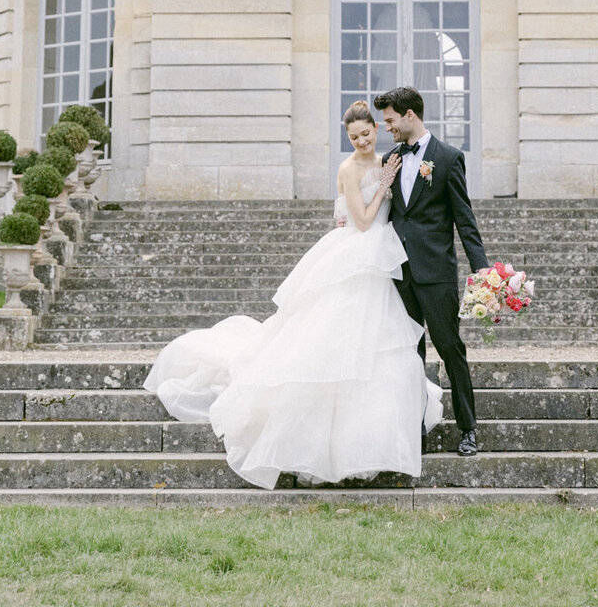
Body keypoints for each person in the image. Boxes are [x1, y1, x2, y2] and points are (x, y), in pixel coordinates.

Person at [142, 101, 442, 489]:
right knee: (335, 343)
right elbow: (364, 222)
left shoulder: (390, 158)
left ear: (376, 130)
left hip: (383, 261)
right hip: (359, 253)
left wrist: (388, 184)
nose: (362, 141)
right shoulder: (349, 169)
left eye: (367, 133)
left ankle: (375, 437)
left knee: (379, 347)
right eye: (354, 137)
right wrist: (382, 186)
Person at [374, 85, 489, 456]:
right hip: (399, 274)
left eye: (390, 120)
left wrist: (483, 272)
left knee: (451, 349)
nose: (387, 128)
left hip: (436, 274)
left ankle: (468, 429)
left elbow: (465, 222)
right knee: (409, 356)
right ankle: (415, 430)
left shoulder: (449, 158)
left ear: (410, 116)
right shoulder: (389, 159)